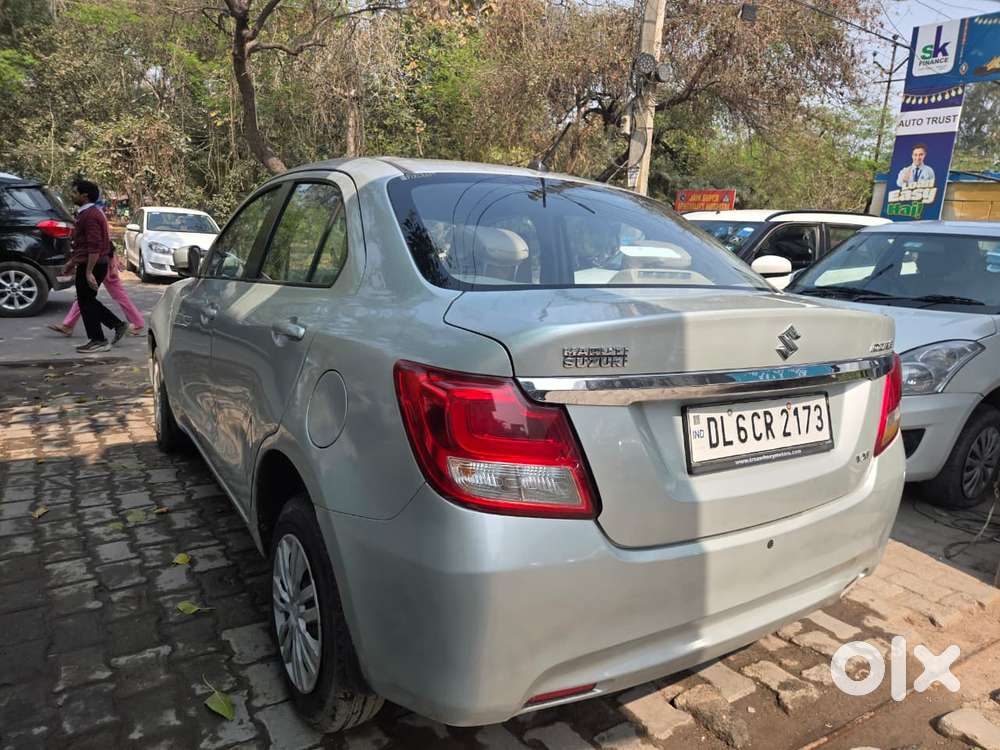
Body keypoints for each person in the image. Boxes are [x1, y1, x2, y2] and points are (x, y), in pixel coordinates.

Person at [60, 179, 127, 353]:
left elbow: (94, 246)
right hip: (90, 263)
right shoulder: (86, 213)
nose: (72, 195)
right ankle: (116, 325)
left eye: (75, 193)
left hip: (94, 264)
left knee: (86, 302)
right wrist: (72, 262)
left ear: (85, 196)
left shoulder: (90, 216)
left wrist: (89, 272)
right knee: (86, 301)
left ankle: (99, 340)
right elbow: (83, 246)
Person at [47, 250, 144, 337]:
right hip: (101, 260)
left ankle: (136, 323)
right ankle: (68, 324)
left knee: (86, 296)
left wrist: (113, 261)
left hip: (101, 261)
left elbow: (104, 241)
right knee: (85, 296)